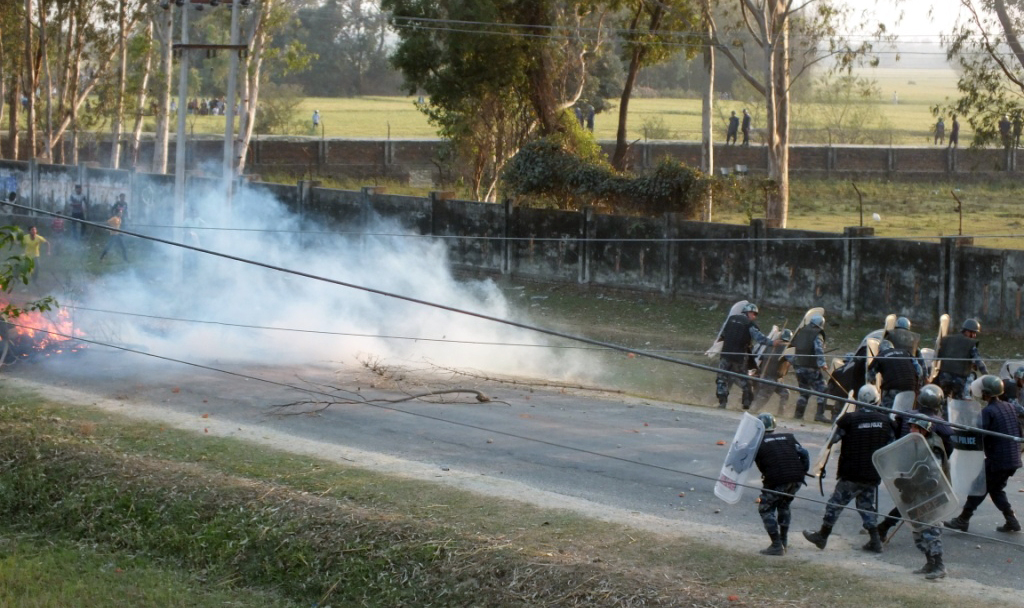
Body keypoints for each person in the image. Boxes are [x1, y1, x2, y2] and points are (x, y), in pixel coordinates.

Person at [803, 384, 897, 553]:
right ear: (877, 400)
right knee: (866, 506)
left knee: (835, 504)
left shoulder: (849, 420)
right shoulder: (886, 421)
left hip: (851, 473)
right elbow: (892, 446)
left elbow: (832, 440)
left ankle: (822, 536)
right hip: (872, 473)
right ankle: (875, 541)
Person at [876, 384, 952, 579]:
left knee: (931, 529)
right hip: (916, 491)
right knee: (918, 531)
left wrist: (912, 485)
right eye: (911, 426)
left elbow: (932, 478)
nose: (910, 429)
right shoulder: (917, 442)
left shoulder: (933, 446)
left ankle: (939, 566)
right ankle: (929, 563)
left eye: (914, 427)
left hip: (930, 494)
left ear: (924, 430)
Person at [944, 375, 1022, 533]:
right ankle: (1011, 521)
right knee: (996, 489)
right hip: (1013, 458)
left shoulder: (988, 411)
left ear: (986, 393)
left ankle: (963, 519)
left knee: (978, 487)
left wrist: (959, 434)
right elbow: (1019, 431)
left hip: (998, 461)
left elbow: (978, 435)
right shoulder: (1010, 406)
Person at [753, 412, 809, 555]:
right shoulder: (788, 438)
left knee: (765, 509)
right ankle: (783, 542)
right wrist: (803, 470)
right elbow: (804, 453)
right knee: (784, 506)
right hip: (796, 478)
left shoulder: (757, 443)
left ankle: (777, 545)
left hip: (777, 479)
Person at [715, 302, 780, 410]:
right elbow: (759, 338)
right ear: (748, 312)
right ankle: (746, 403)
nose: (754, 317)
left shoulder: (730, 319)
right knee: (745, 380)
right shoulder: (749, 324)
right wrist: (772, 343)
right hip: (739, 357)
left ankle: (722, 402)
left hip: (725, 355)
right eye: (754, 314)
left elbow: (722, 335)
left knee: (721, 379)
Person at [790, 313, 829, 422]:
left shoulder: (801, 331)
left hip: (798, 367)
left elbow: (794, 345)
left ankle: (798, 415)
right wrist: (822, 363)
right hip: (810, 367)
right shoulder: (817, 334)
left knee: (804, 392)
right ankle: (819, 415)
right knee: (823, 389)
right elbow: (818, 349)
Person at [936, 318, 987, 400]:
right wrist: (986, 375)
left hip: (944, 377)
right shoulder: (970, 343)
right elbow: (978, 361)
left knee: (944, 399)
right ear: (967, 331)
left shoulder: (946, 339)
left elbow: (937, 356)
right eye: (973, 333)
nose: (974, 336)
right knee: (958, 401)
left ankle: (944, 407)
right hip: (959, 379)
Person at [867, 340, 922, 410]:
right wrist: (917, 384)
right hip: (911, 386)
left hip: (893, 386)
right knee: (907, 411)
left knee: (886, 410)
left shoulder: (880, 356)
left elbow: (870, 375)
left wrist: (874, 386)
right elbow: (919, 370)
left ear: (880, 350)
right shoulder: (905, 352)